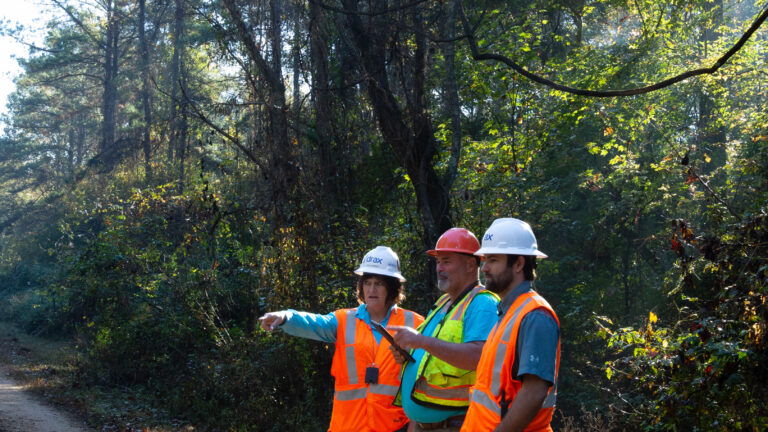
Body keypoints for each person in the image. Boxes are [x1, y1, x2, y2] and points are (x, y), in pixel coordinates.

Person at [259, 246, 425, 432]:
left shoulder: (415, 323)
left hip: (395, 427)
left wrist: (414, 425)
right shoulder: (343, 320)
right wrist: (285, 317)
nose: (372, 289)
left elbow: (424, 380)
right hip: (347, 426)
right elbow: (313, 323)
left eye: (379, 283)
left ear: (392, 287)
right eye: (367, 282)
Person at [388, 228, 500, 432]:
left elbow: (479, 357)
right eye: (438, 261)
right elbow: (431, 357)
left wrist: (420, 341)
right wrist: (406, 355)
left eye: (446, 261)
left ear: (470, 264)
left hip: (458, 424)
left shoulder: (482, 303)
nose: (439, 268)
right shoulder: (443, 302)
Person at [460, 218, 560, 432]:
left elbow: (534, 393)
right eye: (485, 259)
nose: (484, 268)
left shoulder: (535, 316)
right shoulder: (508, 311)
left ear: (518, 264)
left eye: (493, 260)